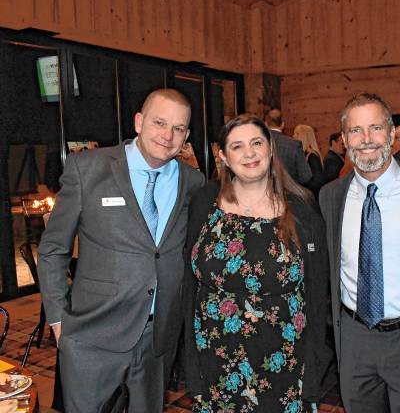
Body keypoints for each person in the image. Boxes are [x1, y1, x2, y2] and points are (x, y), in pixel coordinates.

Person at [37, 88, 205, 412]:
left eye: (179, 128)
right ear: (139, 122)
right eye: (160, 122)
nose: (168, 135)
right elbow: (52, 249)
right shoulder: (86, 169)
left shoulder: (193, 182)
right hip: (92, 336)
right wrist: (58, 321)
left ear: (186, 136)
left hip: (158, 339)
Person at [184, 114, 333, 412]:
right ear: (224, 156)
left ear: (270, 149)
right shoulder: (204, 202)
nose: (249, 153)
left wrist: (315, 369)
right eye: (237, 146)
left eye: (256, 143)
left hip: (284, 363)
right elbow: (189, 286)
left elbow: (317, 295)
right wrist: (190, 365)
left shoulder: (302, 209)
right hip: (215, 358)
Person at [319, 93, 400, 413]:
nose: (366, 140)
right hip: (354, 337)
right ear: (344, 140)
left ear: (392, 134)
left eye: (375, 128)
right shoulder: (330, 196)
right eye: (355, 131)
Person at [265, 108, 312, 184]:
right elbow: (306, 176)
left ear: (266, 124)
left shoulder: (258, 143)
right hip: (289, 193)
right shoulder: (294, 144)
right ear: (283, 124)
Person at [293, 124, 325, 198]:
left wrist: (299, 185)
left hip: (312, 199)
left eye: (297, 133)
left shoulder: (312, 156)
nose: (293, 136)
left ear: (305, 136)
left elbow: (317, 181)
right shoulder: (305, 154)